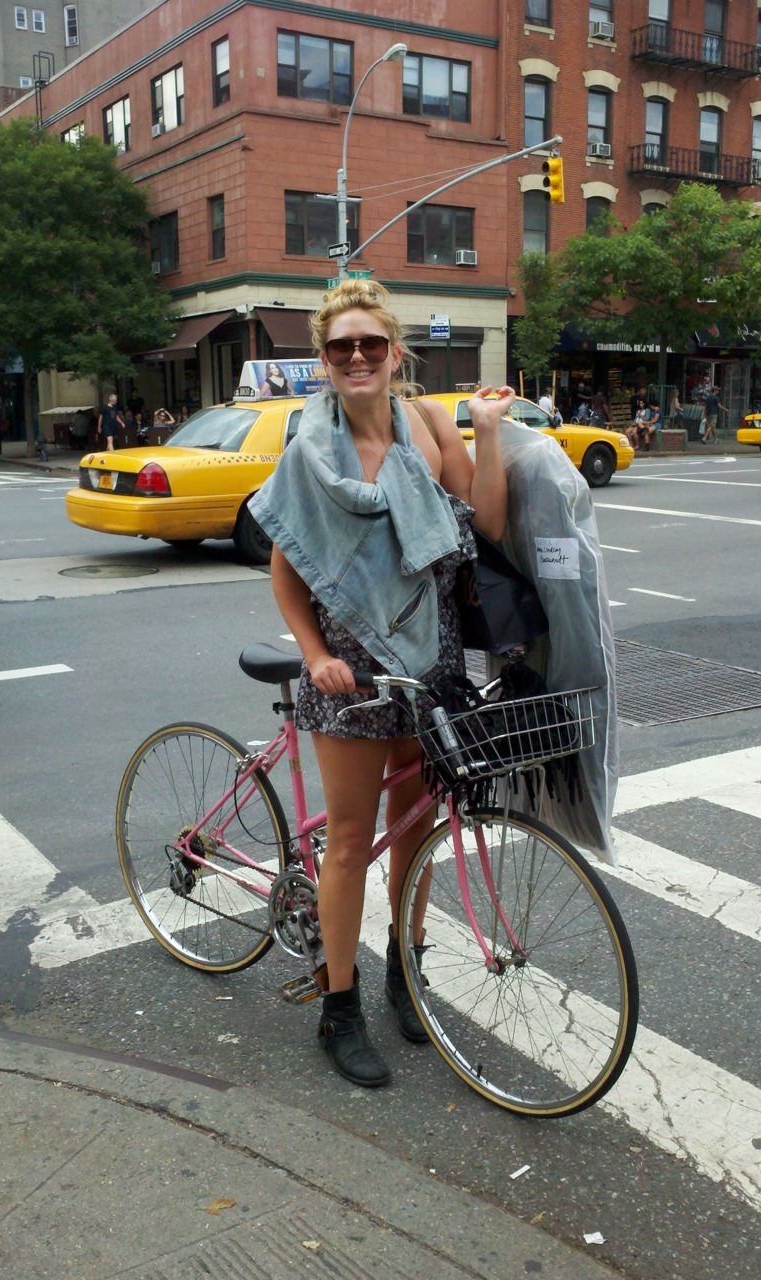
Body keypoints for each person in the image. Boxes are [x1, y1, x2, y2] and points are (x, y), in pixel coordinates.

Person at [249, 279, 510, 1089]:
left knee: (418, 832)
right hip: (349, 675)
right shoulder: (309, 456)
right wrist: (311, 652)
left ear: (395, 353)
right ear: (324, 362)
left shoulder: (431, 426)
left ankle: (406, 971)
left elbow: (489, 523)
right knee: (353, 845)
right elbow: (288, 578)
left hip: (429, 666)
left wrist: (490, 433)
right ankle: (339, 1008)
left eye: (371, 344)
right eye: (340, 347)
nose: (357, 357)